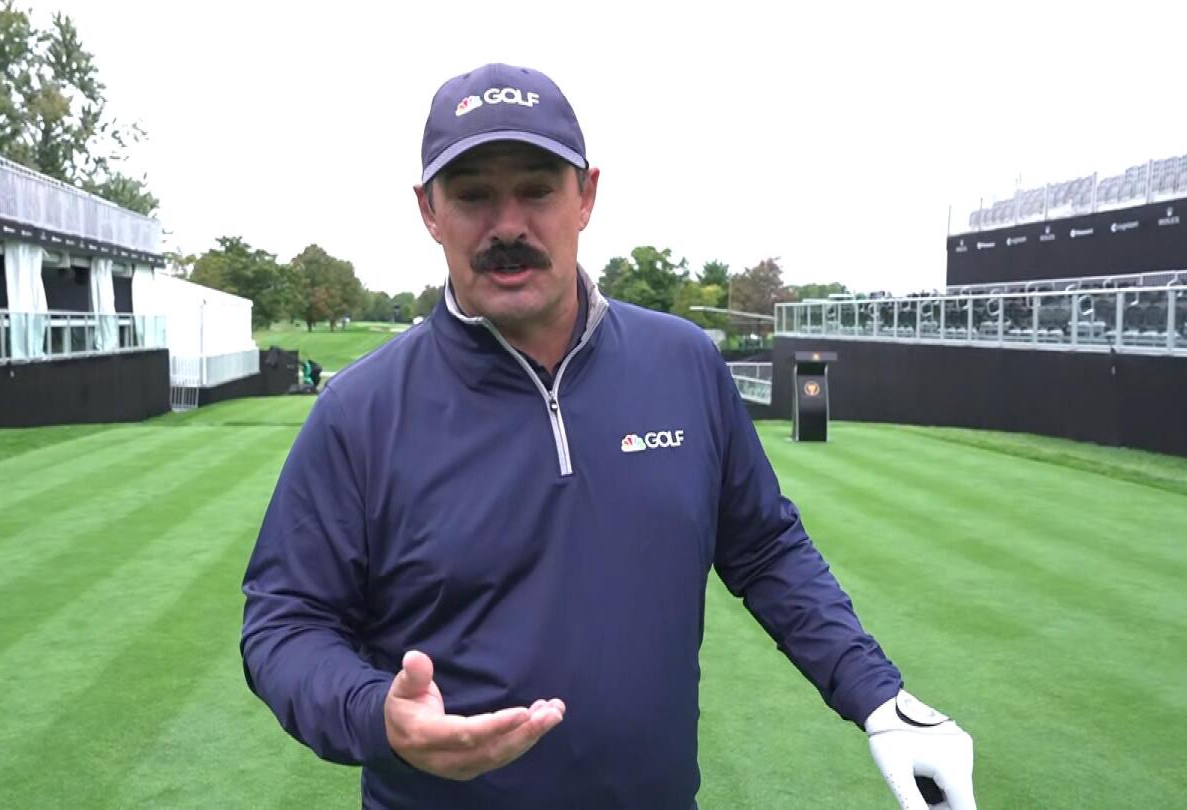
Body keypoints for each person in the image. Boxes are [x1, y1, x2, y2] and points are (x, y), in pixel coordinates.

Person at [241, 63, 977, 809]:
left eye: (536, 189)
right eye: (471, 196)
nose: (507, 226)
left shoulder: (683, 362)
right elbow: (285, 622)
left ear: (586, 195)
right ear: (428, 211)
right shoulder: (360, 411)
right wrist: (379, 715)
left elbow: (763, 547)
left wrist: (879, 699)